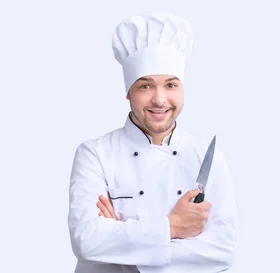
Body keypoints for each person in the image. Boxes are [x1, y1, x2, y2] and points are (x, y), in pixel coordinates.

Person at [67, 13, 238, 273]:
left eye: (170, 85)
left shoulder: (206, 156)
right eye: (145, 87)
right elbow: (86, 242)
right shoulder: (95, 154)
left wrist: (121, 247)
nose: (160, 100)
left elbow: (222, 252)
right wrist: (174, 226)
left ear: (182, 90)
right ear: (128, 92)